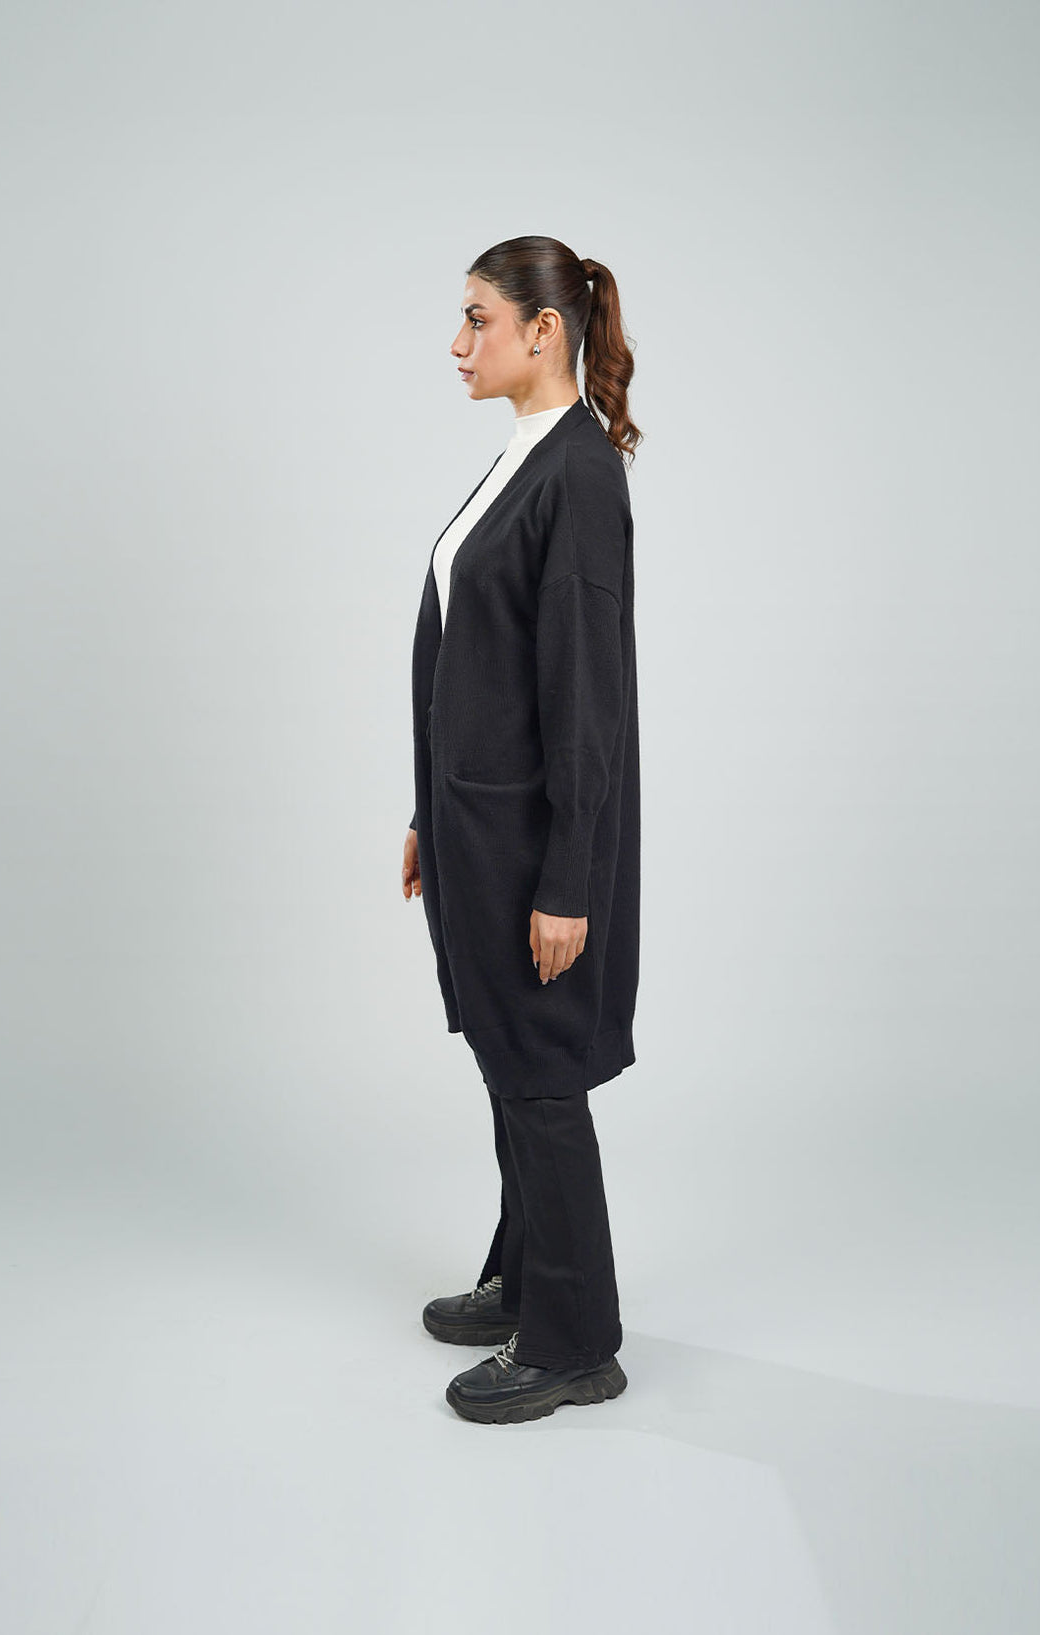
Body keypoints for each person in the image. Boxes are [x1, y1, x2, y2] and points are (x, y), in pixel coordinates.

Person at [400, 235, 642, 1425]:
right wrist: (427, 812)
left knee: (539, 1074)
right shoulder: (522, 458)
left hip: (531, 846)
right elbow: (480, 665)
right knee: (508, 1062)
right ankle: (527, 1275)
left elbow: (583, 700)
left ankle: (574, 1341)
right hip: (475, 831)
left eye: (477, 319)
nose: (457, 344)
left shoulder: (577, 475)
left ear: (543, 331)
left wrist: (568, 880)